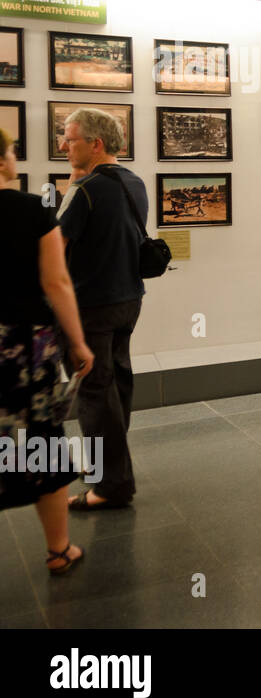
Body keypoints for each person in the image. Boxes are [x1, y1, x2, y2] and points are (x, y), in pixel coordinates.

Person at [0, 128, 94, 572]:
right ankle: (59, 550)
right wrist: (76, 342)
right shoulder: (35, 209)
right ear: (3, 161)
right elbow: (57, 283)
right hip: (27, 343)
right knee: (43, 439)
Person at [57, 108, 149, 510]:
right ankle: (107, 465)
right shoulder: (134, 181)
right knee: (118, 385)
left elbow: (55, 247)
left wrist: (73, 187)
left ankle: (111, 483)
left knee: (96, 392)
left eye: (70, 138)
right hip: (128, 299)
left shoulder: (86, 189)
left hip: (91, 305)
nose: (63, 144)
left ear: (96, 143)